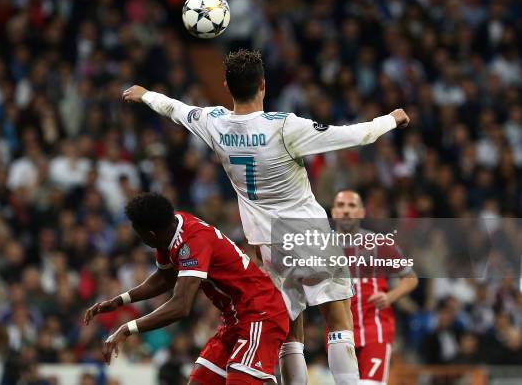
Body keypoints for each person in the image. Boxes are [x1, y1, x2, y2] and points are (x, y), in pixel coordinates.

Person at [123, 49, 410, 384]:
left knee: (291, 331)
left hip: (268, 243)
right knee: (338, 317)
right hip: (309, 233)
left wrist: (145, 95)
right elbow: (351, 135)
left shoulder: (214, 123)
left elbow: (177, 110)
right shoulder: (285, 126)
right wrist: (391, 119)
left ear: (226, 86)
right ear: (263, 84)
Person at [84, 192, 289, 385]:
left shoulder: (192, 242)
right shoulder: (170, 230)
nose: (141, 240)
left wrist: (127, 329)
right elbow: (164, 280)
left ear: (151, 234)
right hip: (234, 320)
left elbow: (181, 306)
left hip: (260, 314)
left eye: (140, 235)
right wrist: (119, 300)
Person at [330, 190, 418, 384]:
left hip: (375, 329)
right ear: (334, 212)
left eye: (352, 206)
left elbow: (410, 278)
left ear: (361, 212)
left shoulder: (379, 244)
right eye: (341, 206)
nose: (346, 211)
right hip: (339, 333)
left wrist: (391, 296)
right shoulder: (321, 246)